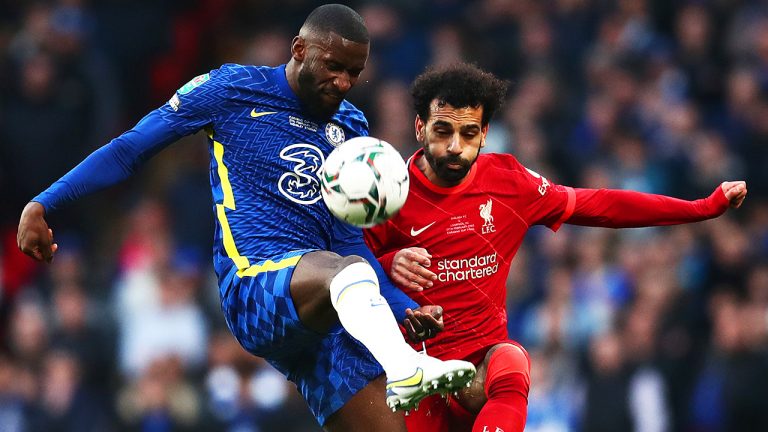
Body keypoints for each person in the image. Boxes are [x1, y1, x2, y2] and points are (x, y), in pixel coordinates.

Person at [16, 5, 476, 431]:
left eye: (353, 73)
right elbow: (130, 148)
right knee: (347, 274)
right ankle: (406, 367)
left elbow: (347, 239)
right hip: (255, 284)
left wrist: (403, 307)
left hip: (326, 311)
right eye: (333, 67)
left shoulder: (349, 126)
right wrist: (44, 202)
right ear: (300, 49)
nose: (342, 82)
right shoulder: (232, 89)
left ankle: (403, 364)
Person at [363, 62, 748, 432]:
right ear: (419, 127)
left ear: (484, 133)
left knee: (512, 360)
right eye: (442, 130)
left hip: (481, 370)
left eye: (468, 134)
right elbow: (347, 273)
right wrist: (386, 263)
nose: (454, 147)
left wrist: (701, 208)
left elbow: (600, 205)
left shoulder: (509, 182)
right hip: (415, 376)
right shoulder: (387, 195)